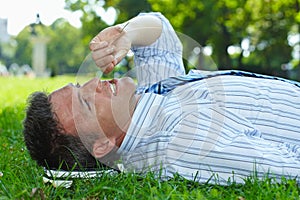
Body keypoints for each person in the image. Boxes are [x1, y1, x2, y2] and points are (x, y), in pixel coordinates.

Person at [23, 12, 300, 185]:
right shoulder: (180, 142)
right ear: (102, 144)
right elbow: (286, 170)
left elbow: (160, 34)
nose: (96, 82)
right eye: (86, 102)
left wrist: (125, 33)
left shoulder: (149, 101)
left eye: (81, 85)